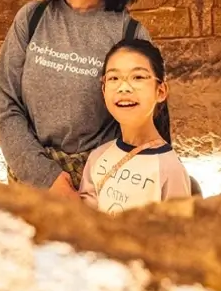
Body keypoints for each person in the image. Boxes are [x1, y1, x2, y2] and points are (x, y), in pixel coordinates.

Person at [0, 0, 157, 199]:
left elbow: (141, 125)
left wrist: (93, 190)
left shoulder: (129, 34)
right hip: (31, 185)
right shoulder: (31, 19)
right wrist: (47, 178)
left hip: (106, 188)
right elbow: (6, 105)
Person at [79, 39, 191, 214]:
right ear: (104, 90)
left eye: (138, 77)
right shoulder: (98, 157)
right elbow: (86, 222)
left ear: (160, 91)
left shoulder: (169, 168)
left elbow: (175, 236)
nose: (124, 88)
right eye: (114, 78)